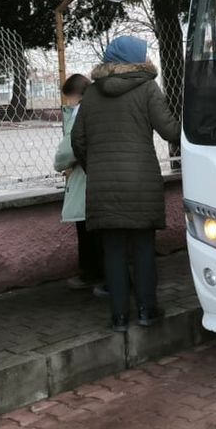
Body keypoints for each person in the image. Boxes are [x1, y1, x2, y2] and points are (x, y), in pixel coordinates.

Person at [71, 36, 180, 332]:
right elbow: (170, 130)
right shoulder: (147, 88)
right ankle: (147, 310)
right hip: (141, 182)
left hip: (103, 186)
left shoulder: (91, 94)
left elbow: (77, 140)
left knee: (114, 252)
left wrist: (94, 168)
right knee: (143, 248)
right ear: (138, 60)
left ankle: (119, 316)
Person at [56, 73, 105, 295]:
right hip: (99, 174)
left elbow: (71, 146)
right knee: (94, 231)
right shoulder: (101, 106)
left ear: (74, 95)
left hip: (84, 177)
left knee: (86, 229)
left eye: (67, 98)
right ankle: (97, 274)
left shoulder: (79, 113)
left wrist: (60, 163)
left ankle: (93, 273)